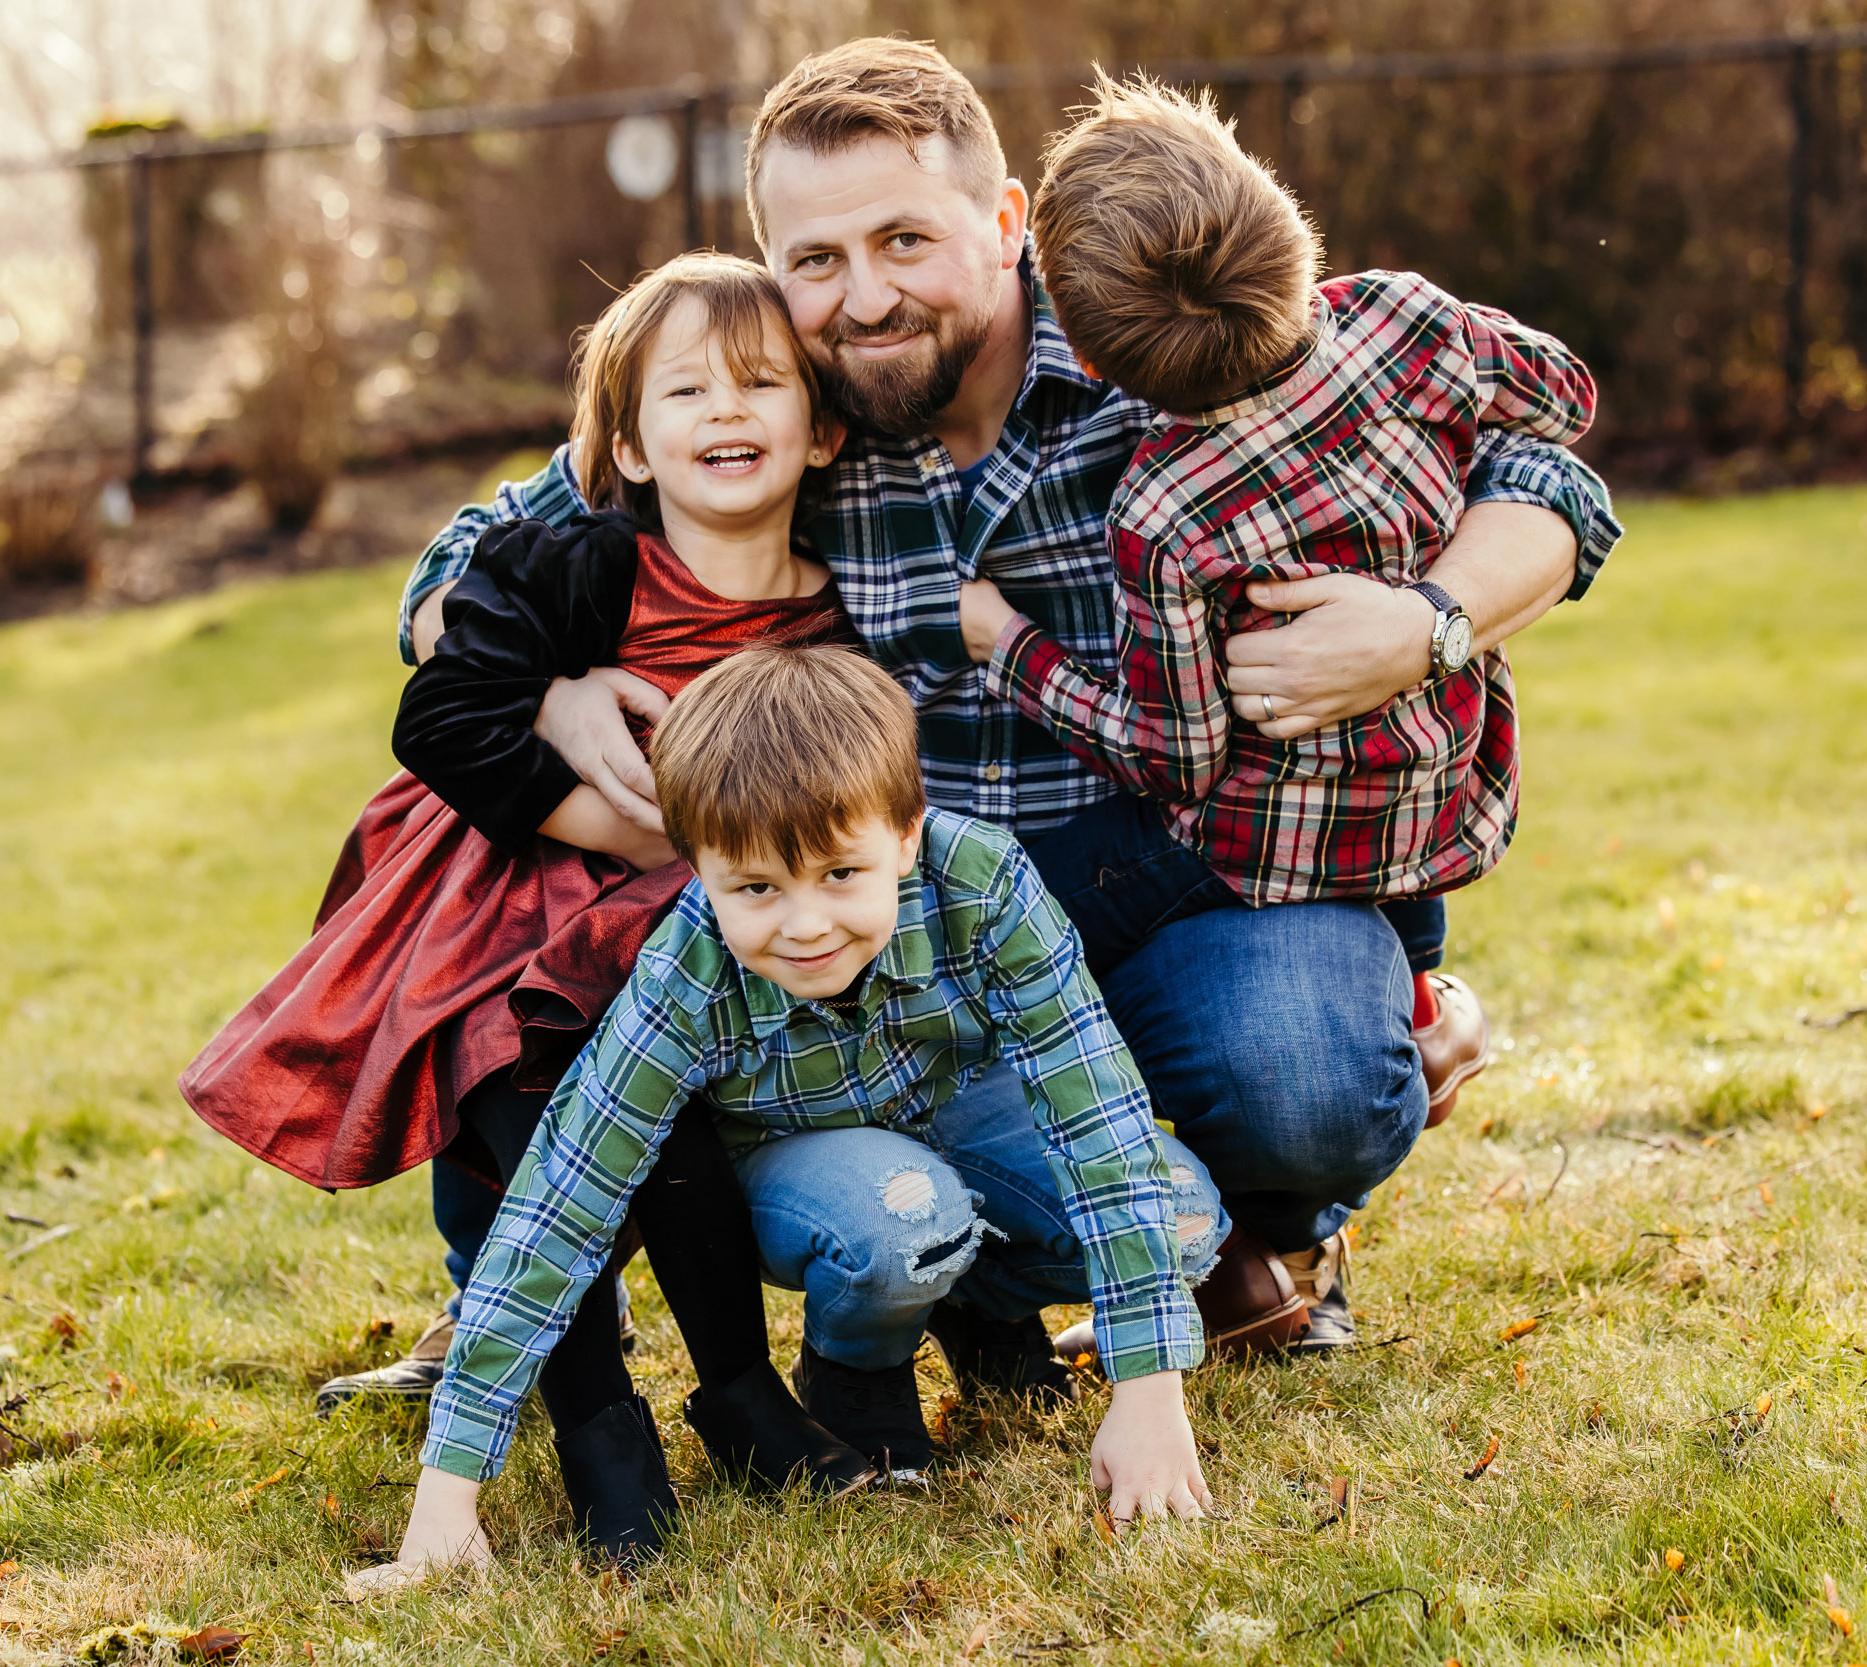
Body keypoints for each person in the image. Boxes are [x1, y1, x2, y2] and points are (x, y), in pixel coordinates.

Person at [378, 38, 1623, 1381]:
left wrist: (1427, 618)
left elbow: (1546, 472)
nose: (862, 299)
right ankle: (1054, 1257)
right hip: (915, 923)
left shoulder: (1156, 328)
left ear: (1007, 220)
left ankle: (1272, 1218)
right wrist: (546, 690)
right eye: (815, 260)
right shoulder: (778, 404)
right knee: (626, 971)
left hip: (1190, 882)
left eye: (905, 238)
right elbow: (457, 569)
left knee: (1310, 1074)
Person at [182, 254, 876, 1549]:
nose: (725, 412)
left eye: (761, 385)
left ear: (823, 426)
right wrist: (612, 815)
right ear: (623, 440)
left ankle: (739, 1391)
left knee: (661, 1125)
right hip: (504, 896)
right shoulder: (578, 563)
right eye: (685, 392)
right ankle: (598, 1419)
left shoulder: (836, 617)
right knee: (528, 1114)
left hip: (682, 936)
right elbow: (439, 715)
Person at [374, 643, 1222, 1583]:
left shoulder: (984, 884)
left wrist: (1148, 1381)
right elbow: (559, 1202)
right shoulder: (682, 973)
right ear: (697, 871)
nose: (806, 924)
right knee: (903, 1218)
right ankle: (854, 1363)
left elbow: (1095, 1111)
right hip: (810, 1170)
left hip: (961, 1115)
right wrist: (446, 1492)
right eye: (756, 888)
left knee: (1189, 1215)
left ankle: (978, 1307)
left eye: (840, 875)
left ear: (905, 834)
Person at [956, 74, 1595, 1159]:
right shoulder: (1405, 318)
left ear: (1101, 364)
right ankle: (1418, 994)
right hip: (1432, 796)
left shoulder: (1164, 511)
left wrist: (1008, 648)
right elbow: (1564, 397)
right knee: (1385, 876)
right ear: (1280, 211)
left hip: (1268, 843)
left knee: (995, 915)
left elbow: (1178, 754)